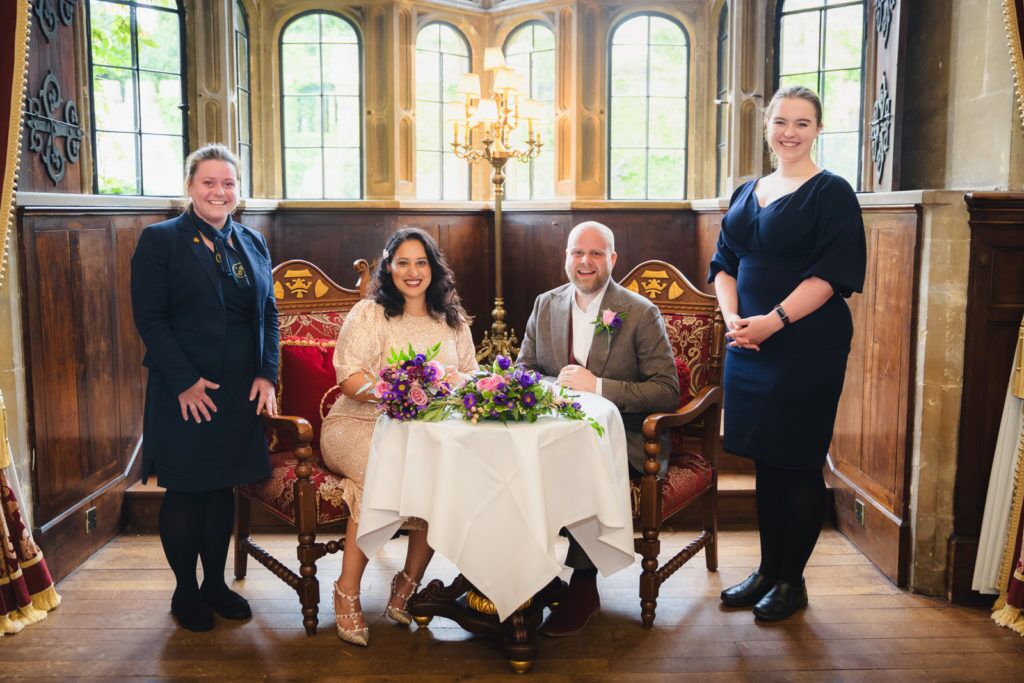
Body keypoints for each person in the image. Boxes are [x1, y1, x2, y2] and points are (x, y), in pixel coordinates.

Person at [710, 86, 867, 621]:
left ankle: (792, 581)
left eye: (802, 123)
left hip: (803, 342)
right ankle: (766, 571)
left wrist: (771, 322)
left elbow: (830, 276)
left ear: (818, 129)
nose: (790, 132)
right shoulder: (746, 190)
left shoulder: (832, 192)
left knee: (796, 462)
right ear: (767, 127)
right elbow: (724, 263)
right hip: (746, 342)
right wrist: (733, 320)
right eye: (781, 122)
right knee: (765, 461)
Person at [130, 144, 279, 632]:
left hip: (238, 390)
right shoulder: (161, 240)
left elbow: (269, 316)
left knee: (221, 490)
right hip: (186, 392)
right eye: (209, 182)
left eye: (228, 183)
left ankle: (215, 584)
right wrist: (186, 381)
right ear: (191, 187)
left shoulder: (252, 243)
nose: (220, 191)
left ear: (239, 191)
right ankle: (185, 591)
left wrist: (266, 372)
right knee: (187, 491)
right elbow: (150, 319)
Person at [517, 220, 679, 637]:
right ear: (566, 258)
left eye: (595, 253)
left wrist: (600, 387)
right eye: (576, 252)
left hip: (625, 440)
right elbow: (524, 372)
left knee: (575, 467)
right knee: (511, 468)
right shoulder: (545, 304)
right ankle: (528, 577)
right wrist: (550, 387)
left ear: (612, 259)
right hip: (551, 435)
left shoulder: (640, 312)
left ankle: (583, 586)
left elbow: (666, 392)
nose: (584, 261)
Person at [319, 228, 478, 647]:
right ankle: (346, 591)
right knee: (378, 476)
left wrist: (455, 382)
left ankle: (407, 584)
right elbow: (349, 378)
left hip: (425, 432)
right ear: (388, 268)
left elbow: (470, 375)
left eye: (421, 262)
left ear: (433, 268)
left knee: (435, 478)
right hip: (357, 424)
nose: (412, 271)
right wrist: (396, 391)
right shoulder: (369, 314)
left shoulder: (452, 320)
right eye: (403, 262)